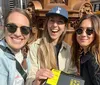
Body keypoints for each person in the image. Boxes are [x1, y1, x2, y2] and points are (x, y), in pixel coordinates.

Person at [26, 6, 77, 85]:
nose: (55, 25)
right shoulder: (35, 47)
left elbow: (72, 76)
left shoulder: (69, 50)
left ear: (65, 27)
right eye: (52, 20)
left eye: (60, 22)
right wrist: (36, 82)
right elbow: (29, 78)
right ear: (47, 23)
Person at [0, 8, 32, 85]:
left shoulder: (24, 51)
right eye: (12, 27)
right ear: (4, 28)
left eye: (24, 29)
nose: (18, 34)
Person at [71, 14, 100, 85]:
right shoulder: (83, 54)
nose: (83, 34)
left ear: (96, 33)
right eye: (80, 30)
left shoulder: (94, 59)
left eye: (89, 31)